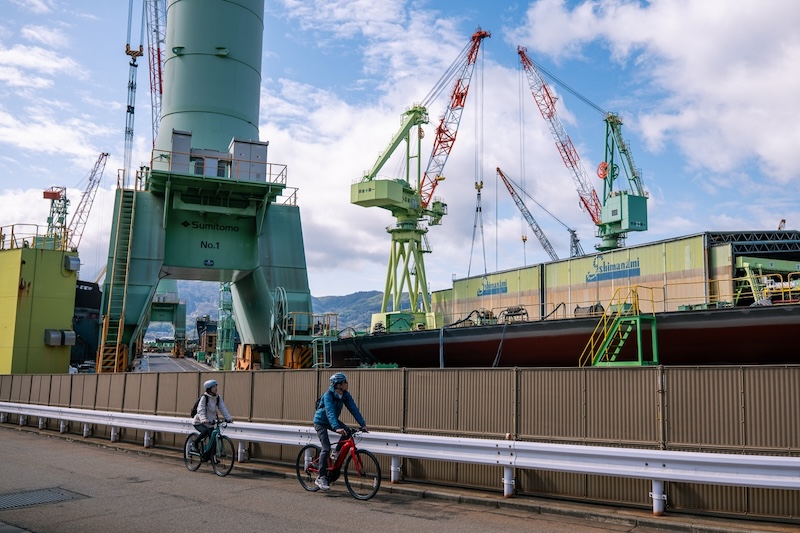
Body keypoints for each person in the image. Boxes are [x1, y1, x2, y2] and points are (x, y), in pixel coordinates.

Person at [312, 372, 367, 491]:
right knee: (326, 448)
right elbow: (330, 412)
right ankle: (321, 477)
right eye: (345, 382)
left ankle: (335, 453)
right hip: (320, 421)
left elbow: (354, 409)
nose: (347, 384)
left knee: (347, 432)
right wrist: (336, 427)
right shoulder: (328, 395)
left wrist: (363, 424)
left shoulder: (345, 395)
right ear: (338, 385)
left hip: (332, 421)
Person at [192, 379, 232, 456]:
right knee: (206, 431)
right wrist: (203, 419)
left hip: (210, 423)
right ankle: (194, 444)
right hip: (199, 422)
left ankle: (212, 458)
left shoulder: (218, 397)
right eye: (214, 387)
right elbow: (201, 409)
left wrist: (228, 418)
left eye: (216, 386)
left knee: (213, 439)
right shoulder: (204, 397)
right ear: (209, 389)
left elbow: (223, 408)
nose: (216, 388)